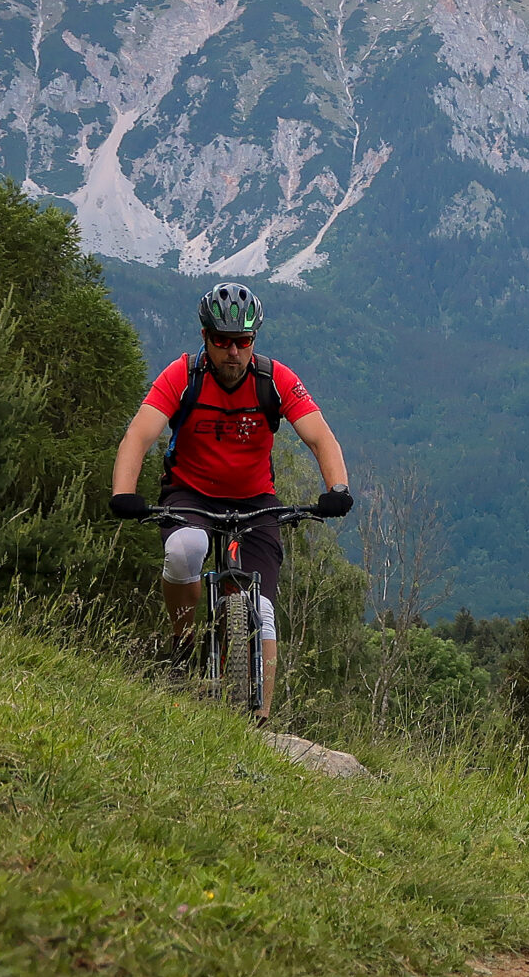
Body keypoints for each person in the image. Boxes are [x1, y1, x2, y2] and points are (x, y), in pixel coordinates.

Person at [108, 283, 352, 720]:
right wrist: (123, 493)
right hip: (190, 493)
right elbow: (138, 436)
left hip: (256, 499)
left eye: (243, 342)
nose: (233, 352)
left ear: (253, 340)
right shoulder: (183, 376)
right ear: (205, 338)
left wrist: (337, 489)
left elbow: (320, 437)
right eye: (222, 341)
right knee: (186, 550)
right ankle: (182, 650)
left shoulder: (274, 380)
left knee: (261, 611)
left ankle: (259, 722)